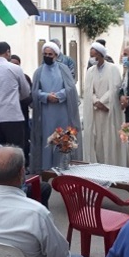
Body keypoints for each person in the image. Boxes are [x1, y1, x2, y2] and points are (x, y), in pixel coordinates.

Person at [30, 41, 82, 174]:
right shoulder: (38, 72)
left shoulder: (63, 69)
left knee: (63, 137)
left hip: (62, 110)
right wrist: (46, 96)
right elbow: (35, 91)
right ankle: (47, 168)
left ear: (56, 55)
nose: (47, 56)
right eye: (45, 54)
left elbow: (70, 88)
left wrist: (58, 96)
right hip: (46, 112)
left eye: (50, 54)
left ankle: (63, 165)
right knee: (47, 138)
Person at [83, 42, 127, 166]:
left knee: (109, 140)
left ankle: (112, 166)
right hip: (96, 111)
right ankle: (99, 166)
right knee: (98, 141)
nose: (92, 58)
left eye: (94, 55)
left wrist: (103, 102)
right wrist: (96, 101)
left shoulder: (113, 69)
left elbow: (115, 88)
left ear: (100, 55)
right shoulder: (90, 71)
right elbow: (88, 90)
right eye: (90, 56)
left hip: (109, 111)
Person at [10, 54, 33, 167]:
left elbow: (29, 95)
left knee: (24, 140)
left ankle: (25, 163)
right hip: (10, 116)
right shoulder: (5, 78)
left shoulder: (25, 78)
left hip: (23, 114)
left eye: (17, 64)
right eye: (12, 64)